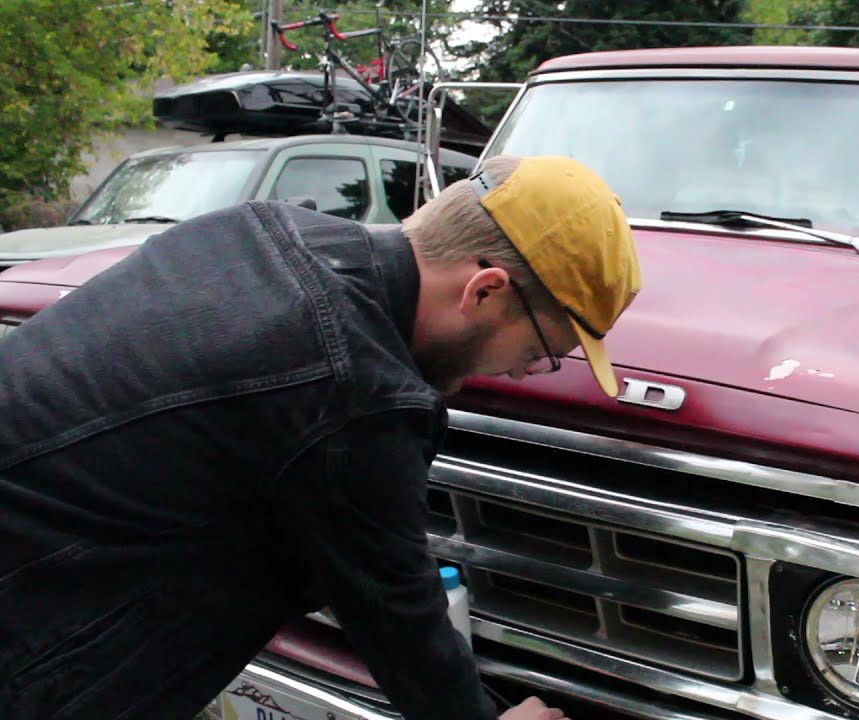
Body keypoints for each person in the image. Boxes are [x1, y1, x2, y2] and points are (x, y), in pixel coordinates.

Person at [0, 155, 642, 720]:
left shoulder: (257, 228)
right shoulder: (353, 389)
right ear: (485, 290)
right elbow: (400, 615)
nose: (525, 371)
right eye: (541, 349)